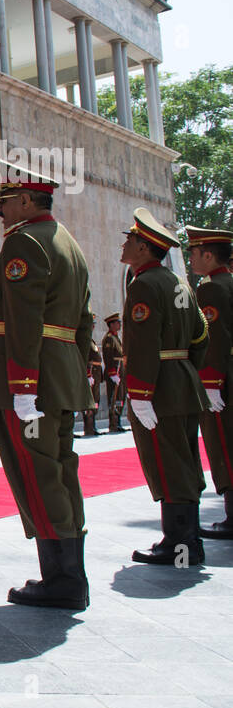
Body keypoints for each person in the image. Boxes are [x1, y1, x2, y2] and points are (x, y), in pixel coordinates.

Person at [0, 164, 92, 610]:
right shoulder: (68, 242)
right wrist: (75, 373)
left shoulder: (24, 242)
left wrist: (23, 385)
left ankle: (62, 581)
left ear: (26, 200)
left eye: (4, 201)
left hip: (31, 382)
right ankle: (70, 575)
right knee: (62, 471)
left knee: (38, 474)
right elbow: (83, 322)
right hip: (59, 377)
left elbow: (23, 319)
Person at [120, 210, 209, 566]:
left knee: (167, 462)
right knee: (184, 461)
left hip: (159, 388)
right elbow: (202, 335)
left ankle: (179, 545)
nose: (124, 243)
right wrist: (186, 369)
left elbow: (142, 345)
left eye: (129, 239)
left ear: (144, 247)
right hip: (184, 381)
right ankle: (189, 540)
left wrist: (140, 394)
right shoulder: (178, 282)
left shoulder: (144, 284)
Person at [189, 226, 233, 539]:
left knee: (224, 444)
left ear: (208, 254)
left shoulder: (211, 289)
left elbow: (216, 339)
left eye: (193, 252)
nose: (190, 258)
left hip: (223, 378)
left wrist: (212, 381)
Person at [102, 313, 126, 432]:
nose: (120, 324)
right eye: (117, 322)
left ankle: (118, 421)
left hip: (120, 371)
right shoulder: (109, 338)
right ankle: (113, 423)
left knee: (120, 397)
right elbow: (108, 356)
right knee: (114, 397)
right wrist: (112, 373)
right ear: (111, 325)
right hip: (114, 372)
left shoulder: (116, 338)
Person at [83, 314, 104, 437]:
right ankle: (89, 426)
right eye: (92, 324)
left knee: (96, 400)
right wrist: (88, 374)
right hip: (91, 373)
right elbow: (85, 358)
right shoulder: (85, 340)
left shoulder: (91, 340)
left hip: (95, 373)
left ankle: (93, 425)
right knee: (89, 401)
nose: (94, 326)